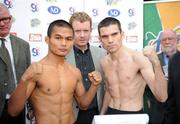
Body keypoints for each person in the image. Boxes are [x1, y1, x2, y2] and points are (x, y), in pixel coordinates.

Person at [8, 19, 102, 124]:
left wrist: (94, 85)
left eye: (68, 39)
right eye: (58, 38)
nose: (63, 43)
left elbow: (83, 105)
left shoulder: (74, 72)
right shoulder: (37, 71)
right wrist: (25, 79)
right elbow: (13, 111)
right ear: (47, 40)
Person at [97, 17, 167, 115]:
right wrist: (102, 115)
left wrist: (156, 62)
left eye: (114, 34)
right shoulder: (104, 62)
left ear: (122, 35)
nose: (110, 40)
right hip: (111, 112)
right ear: (100, 39)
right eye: (105, 36)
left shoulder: (138, 59)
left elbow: (162, 97)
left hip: (133, 114)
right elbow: (109, 90)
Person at [66, 12, 106, 124]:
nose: (82, 35)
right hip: (71, 115)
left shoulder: (102, 54)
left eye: (86, 31)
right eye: (78, 31)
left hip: (98, 113)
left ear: (91, 31)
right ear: (71, 31)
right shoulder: (62, 55)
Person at [0, 3, 31, 124]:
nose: (2, 23)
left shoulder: (23, 45)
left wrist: (31, 106)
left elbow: (29, 78)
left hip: (19, 106)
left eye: (5, 19)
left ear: (11, 19)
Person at [145, 29, 179, 124]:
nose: (167, 42)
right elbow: (147, 86)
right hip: (158, 113)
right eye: (164, 40)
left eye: (170, 39)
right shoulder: (152, 60)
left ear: (177, 40)